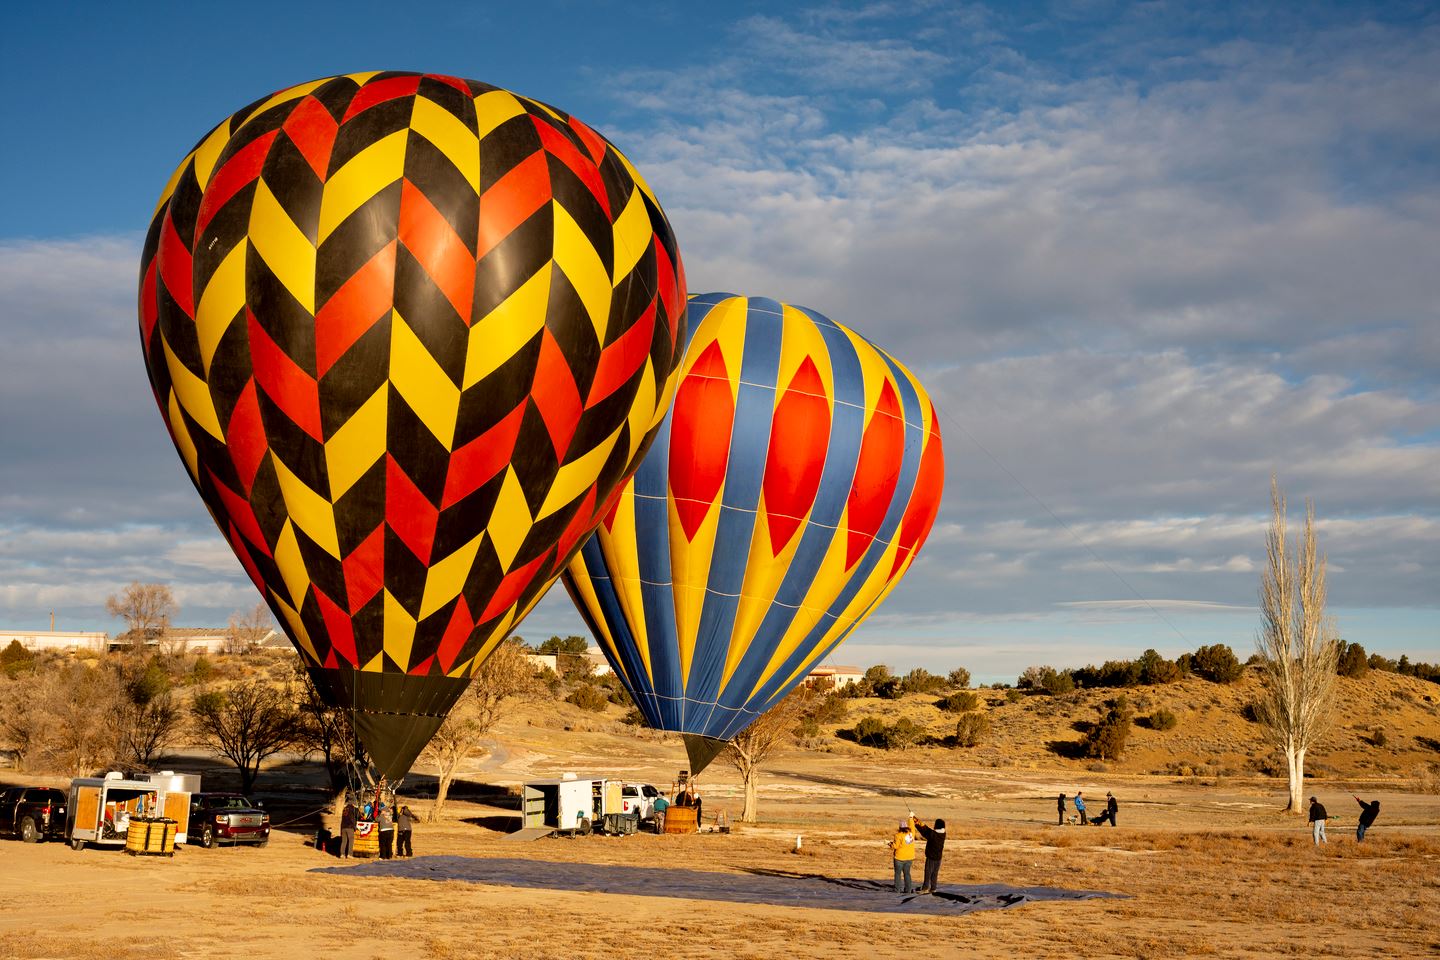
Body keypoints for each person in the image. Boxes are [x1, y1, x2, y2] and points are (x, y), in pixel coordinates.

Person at [912, 815, 947, 893]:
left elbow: (925, 831)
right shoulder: (943, 834)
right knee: (934, 873)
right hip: (938, 858)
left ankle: (925, 888)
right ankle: (933, 888)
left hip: (931, 857)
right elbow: (927, 829)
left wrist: (916, 823)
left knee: (928, 873)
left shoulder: (933, 835)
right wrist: (916, 819)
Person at [889, 817, 917, 895]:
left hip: (899, 858)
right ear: (907, 827)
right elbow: (912, 826)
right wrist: (911, 818)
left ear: (900, 827)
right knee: (907, 873)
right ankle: (908, 890)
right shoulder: (912, 833)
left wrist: (889, 844)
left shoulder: (898, 835)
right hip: (909, 857)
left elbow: (895, 846)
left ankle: (897, 890)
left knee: (898, 874)